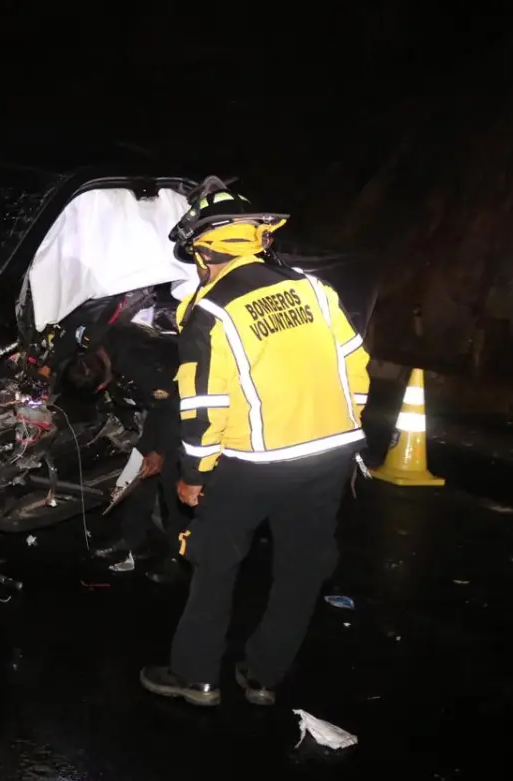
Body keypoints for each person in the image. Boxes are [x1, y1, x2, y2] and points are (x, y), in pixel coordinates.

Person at [139, 179, 370, 707]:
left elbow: (201, 407)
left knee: (214, 562)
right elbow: (355, 365)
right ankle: (264, 677)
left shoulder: (209, 311)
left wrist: (194, 475)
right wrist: (340, 425)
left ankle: (195, 676)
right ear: (257, 238)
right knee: (302, 567)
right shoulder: (313, 289)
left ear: (204, 251)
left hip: (254, 462)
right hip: (330, 453)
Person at [63, 321, 182, 582]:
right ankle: (133, 538)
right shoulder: (95, 342)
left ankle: (179, 557)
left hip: (187, 398)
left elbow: (176, 404)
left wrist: (161, 452)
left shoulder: (141, 368)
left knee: (170, 480)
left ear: (103, 384)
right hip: (163, 401)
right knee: (139, 466)